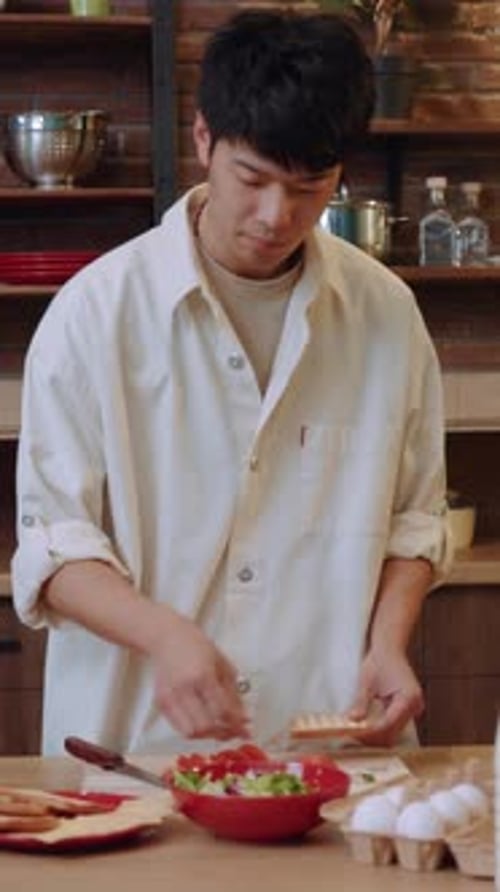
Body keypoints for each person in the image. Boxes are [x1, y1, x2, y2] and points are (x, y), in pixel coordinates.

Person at [12, 9, 450, 756]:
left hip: (333, 741)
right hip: (139, 753)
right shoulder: (96, 314)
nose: (277, 215)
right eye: (253, 179)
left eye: (310, 186)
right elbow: (54, 548)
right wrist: (164, 635)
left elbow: (415, 518)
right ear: (203, 138)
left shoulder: (385, 313)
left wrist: (388, 641)